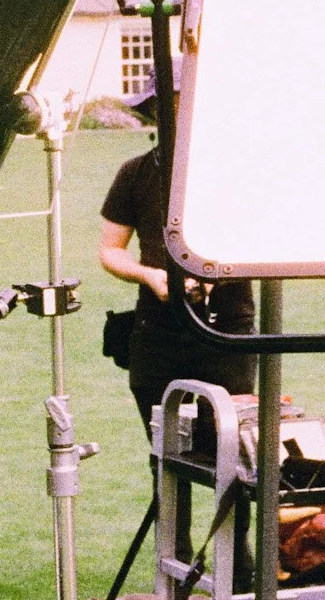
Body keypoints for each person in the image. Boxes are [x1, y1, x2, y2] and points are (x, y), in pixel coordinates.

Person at [99, 79, 257, 438]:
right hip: (156, 329)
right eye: (163, 105)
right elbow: (110, 250)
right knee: (163, 453)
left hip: (226, 328)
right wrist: (152, 277)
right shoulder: (134, 173)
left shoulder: (233, 172)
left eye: (182, 104)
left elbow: (258, 245)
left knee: (232, 448)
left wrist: (213, 274)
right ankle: (163, 497)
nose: (172, 114)